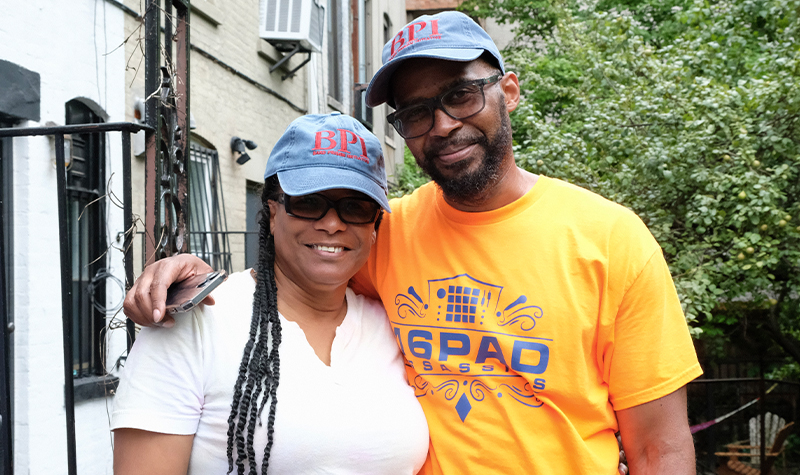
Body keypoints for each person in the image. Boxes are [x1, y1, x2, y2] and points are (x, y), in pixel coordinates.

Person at [123, 11, 702, 474]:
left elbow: (659, 451)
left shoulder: (611, 238)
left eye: (460, 95)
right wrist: (191, 274)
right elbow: (297, 274)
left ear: (510, 90)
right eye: (417, 112)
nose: (443, 125)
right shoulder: (387, 232)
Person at [111, 113, 429, 475]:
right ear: (273, 212)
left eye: (355, 207)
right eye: (309, 202)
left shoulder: (396, 322)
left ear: (374, 226)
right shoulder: (195, 323)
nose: (332, 223)